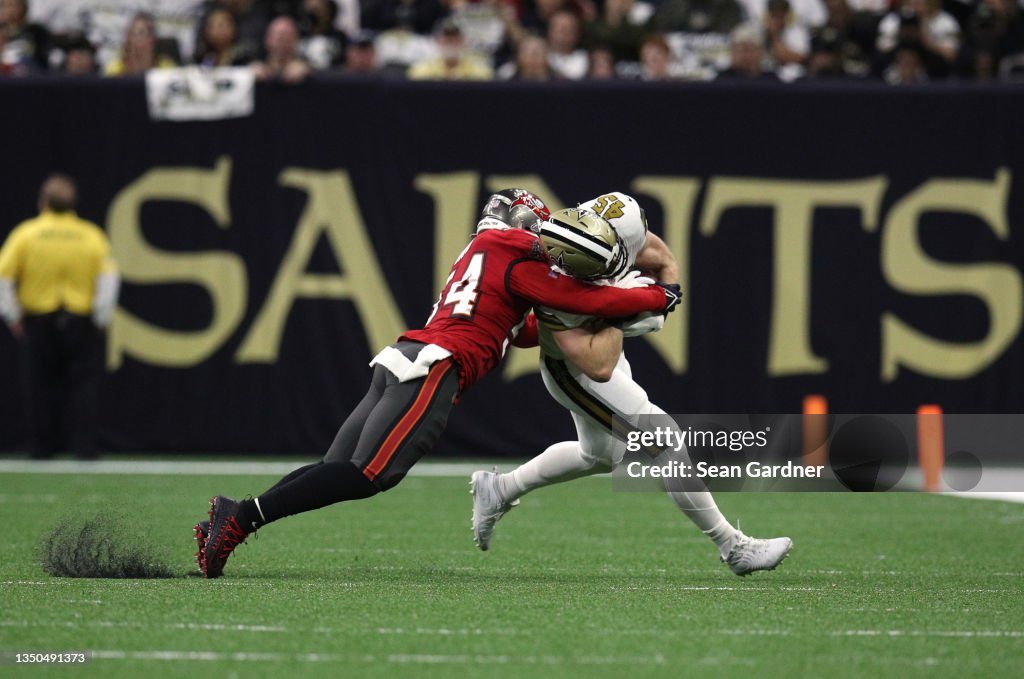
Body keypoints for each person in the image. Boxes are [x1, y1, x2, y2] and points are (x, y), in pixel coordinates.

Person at [195, 189, 682, 578]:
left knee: (337, 467)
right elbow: (592, 303)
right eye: (540, 226)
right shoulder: (515, 251)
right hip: (436, 366)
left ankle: (235, 516)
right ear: (521, 224)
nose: (550, 237)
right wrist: (659, 295)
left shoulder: (482, 253)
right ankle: (238, 519)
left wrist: (607, 319)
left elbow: (532, 330)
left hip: (404, 357)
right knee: (368, 476)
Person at [470, 192, 792, 576]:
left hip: (597, 348)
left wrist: (665, 287)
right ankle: (733, 546)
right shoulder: (543, 284)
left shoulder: (609, 219)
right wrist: (627, 305)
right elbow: (598, 364)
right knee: (663, 438)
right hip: (575, 369)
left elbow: (657, 253)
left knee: (601, 455)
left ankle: (500, 489)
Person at [0, 175, 119, 460]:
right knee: (84, 388)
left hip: (38, 321)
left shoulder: (26, 234)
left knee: (38, 386)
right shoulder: (90, 235)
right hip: (80, 322)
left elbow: (3, 278)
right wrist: (101, 318)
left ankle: (41, 447)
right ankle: (84, 448)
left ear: (43, 202)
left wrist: (12, 316)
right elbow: (109, 280)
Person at [407, 18, 494, 80]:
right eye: (447, 40)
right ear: (439, 42)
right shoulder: (422, 70)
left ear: (464, 42)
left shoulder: (479, 71)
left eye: (456, 39)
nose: (451, 44)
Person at [104, 13, 177, 77]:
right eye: (131, 34)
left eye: (141, 33)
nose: (134, 39)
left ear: (152, 39)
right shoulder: (115, 70)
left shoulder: (167, 69)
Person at [252, 15, 311, 82]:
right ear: (268, 39)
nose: (283, 44)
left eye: (288, 38)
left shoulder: (304, 67)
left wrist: (307, 70)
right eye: (280, 38)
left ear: (296, 40)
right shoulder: (257, 65)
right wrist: (248, 72)